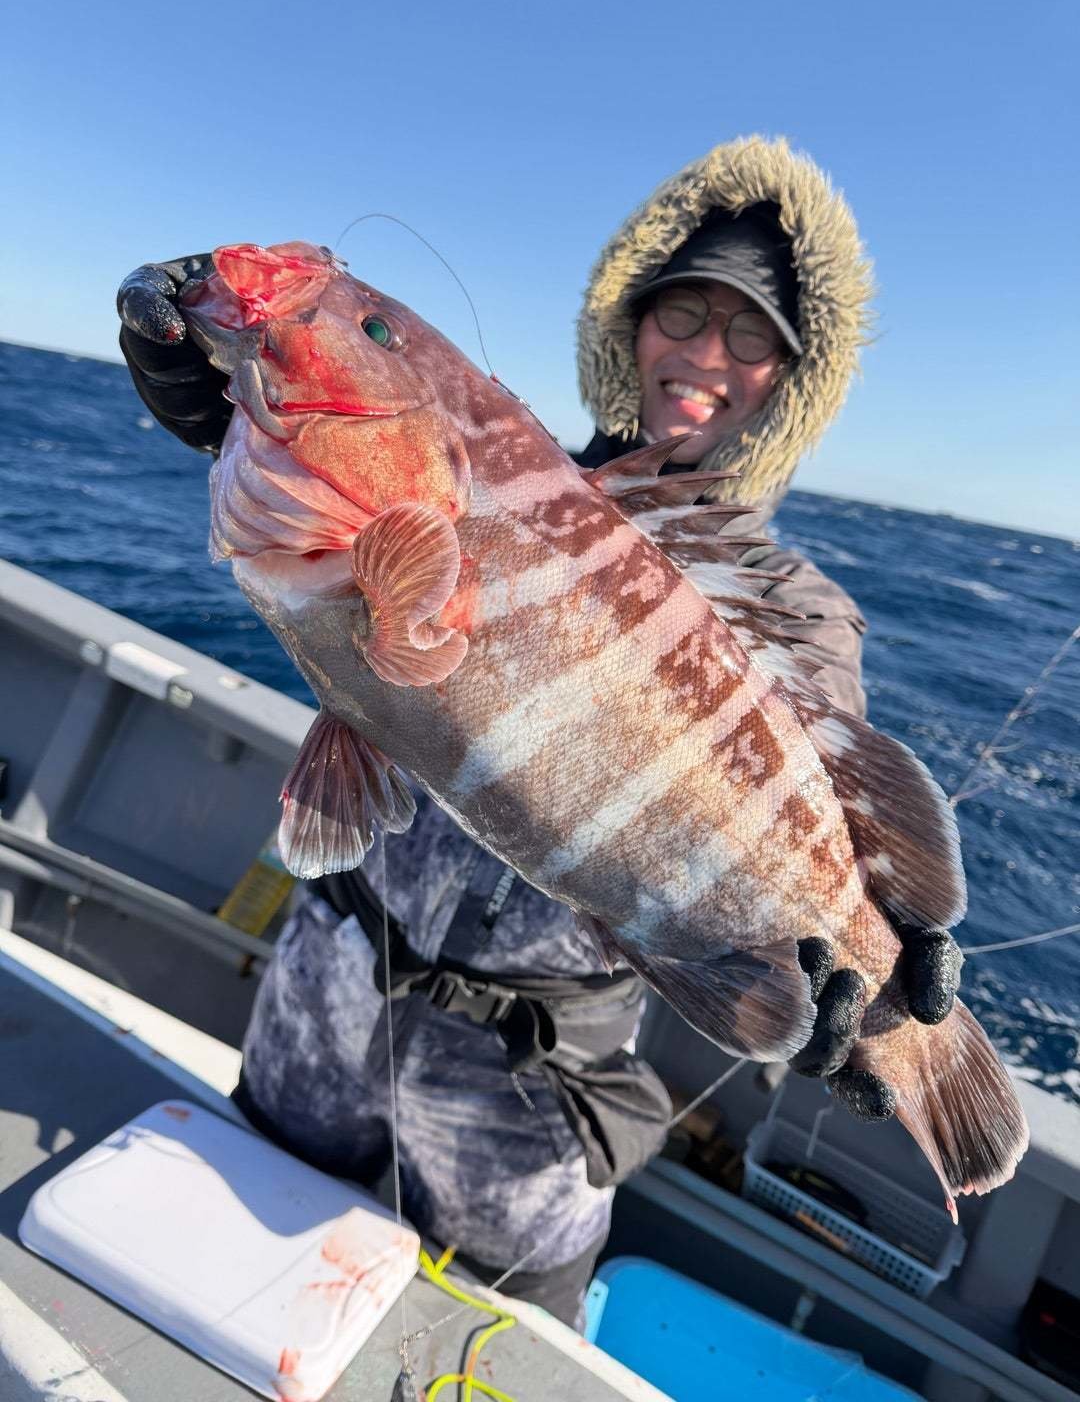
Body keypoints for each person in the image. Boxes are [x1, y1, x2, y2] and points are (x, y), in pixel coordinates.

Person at [117, 135, 962, 1329]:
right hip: (333, 984)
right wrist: (226, 409)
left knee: (494, 1342)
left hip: (533, 1088)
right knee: (216, 1295)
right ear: (632, 324)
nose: (705, 355)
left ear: (792, 377)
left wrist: (852, 956)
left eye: (751, 335)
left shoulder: (796, 608)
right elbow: (350, 525)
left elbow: (819, 766)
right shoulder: (481, 463)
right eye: (684, 313)